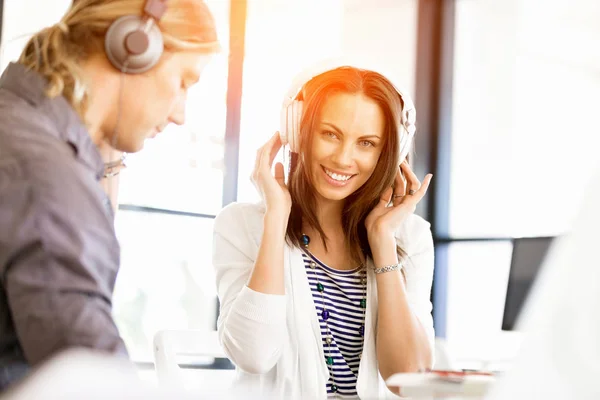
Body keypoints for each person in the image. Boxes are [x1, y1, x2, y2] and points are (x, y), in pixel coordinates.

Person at [0, 0, 219, 391]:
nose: (181, 114)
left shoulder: (19, 122)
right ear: (133, 47)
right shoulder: (47, 178)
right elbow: (92, 381)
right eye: (183, 82)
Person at [213, 64, 436, 399]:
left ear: (389, 152)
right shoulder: (242, 225)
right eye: (330, 134)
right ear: (297, 130)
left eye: (366, 143)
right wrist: (276, 218)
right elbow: (253, 355)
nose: (344, 159)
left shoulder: (409, 237)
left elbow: (409, 380)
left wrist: (383, 242)